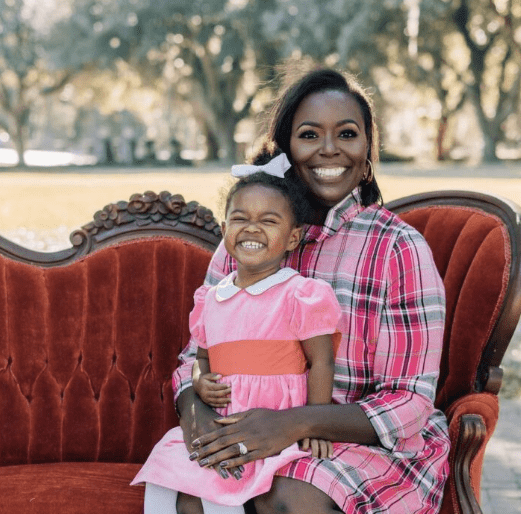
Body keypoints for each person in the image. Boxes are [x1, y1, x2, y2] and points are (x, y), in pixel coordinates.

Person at [172, 68, 450, 514]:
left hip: (358, 442)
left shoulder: (397, 248)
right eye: (309, 134)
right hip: (249, 428)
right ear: (285, 148)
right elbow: (194, 356)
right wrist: (197, 413)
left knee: (285, 493)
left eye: (347, 133)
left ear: (367, 149)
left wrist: (292, 423)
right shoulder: (247, 241)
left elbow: (410, 401)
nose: (329, 149)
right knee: (191, 488)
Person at [132, 155, 342, 513]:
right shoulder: (211, 298)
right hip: (223, 419)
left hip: (273, 422)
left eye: (269, 220)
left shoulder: (300, 295)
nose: (252, 228)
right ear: (225, 228)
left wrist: (316, 423)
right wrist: (199, 382)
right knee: (175, 485)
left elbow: (321, 361)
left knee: (228, 493)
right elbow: (201, 357)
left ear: (293, 237)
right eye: (240, 218)